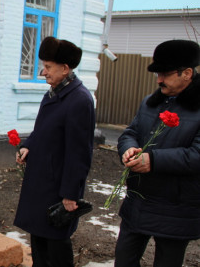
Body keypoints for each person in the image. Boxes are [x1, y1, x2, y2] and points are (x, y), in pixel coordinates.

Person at [115, 39, 200, 267]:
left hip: (175, 208)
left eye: (165, 73)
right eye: (157, 73)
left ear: (187, 73)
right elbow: (129, 133)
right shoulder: (150, 103)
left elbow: (197, 155)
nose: (158, 79)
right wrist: (128, 149)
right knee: (123, 260)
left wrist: (152, 160)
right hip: (138, 202)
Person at [13, 36, 95, 267]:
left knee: (56, 247)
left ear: (65, 68)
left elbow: (80, 152)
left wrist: (70, 194)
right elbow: (41, 130)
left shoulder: (79, 100)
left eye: (48, 67)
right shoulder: (53, 93)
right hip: (41, 182)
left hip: (58, 188)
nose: (43, 72)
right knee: (39, 244)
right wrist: (27, 146)